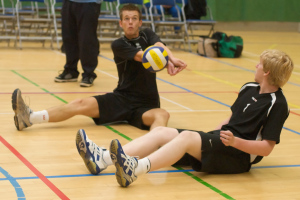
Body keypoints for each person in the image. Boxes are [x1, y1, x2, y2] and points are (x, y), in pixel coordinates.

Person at [75, 49, 294, 187]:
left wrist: (236, 142)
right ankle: (102, 159)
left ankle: (135, 168)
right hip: (223, 142)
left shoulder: (278, 104)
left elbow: (266, 147)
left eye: (260, 64)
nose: (255, 66)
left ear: (266, 72)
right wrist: (211, 137)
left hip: (239, 156)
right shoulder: (249, 87)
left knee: (188, 136)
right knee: (161, 132)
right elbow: (230, 119)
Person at [11, 4, 187, 132]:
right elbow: (145, 57)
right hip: (121, 99)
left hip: (147, 104)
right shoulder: (118, 44)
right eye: (126, 19)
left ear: (140, 22)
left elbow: (160, 46)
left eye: (134, 19)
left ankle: (158, 143)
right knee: (80, 103)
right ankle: (30, 117)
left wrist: (171, 59)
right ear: (120, 23)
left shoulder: (147, 34)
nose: (130, 22)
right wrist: (164, 60)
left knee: (162, 115)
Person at [54, 0, 101, 87]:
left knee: (87, 39)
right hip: (69, 2)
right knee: (69, 37)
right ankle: (70, 71)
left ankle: (88, 74)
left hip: (89, 3)